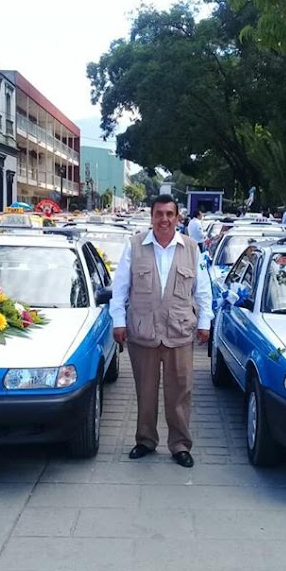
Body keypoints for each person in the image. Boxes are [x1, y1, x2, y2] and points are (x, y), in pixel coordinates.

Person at [110, 195, 214, 467]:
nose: (164, 219)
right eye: (159, 214)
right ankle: (145, 440)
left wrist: (205, 322)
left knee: (180, 390)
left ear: (178, 218)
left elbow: (203, 290)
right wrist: (118, 320)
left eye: (170, 214)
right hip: (142, 332)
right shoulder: (134, 246)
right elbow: (120, 287)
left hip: (179, 332)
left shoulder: (192, 249)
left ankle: (180, 444)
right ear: (151, 217)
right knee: (145, 390)